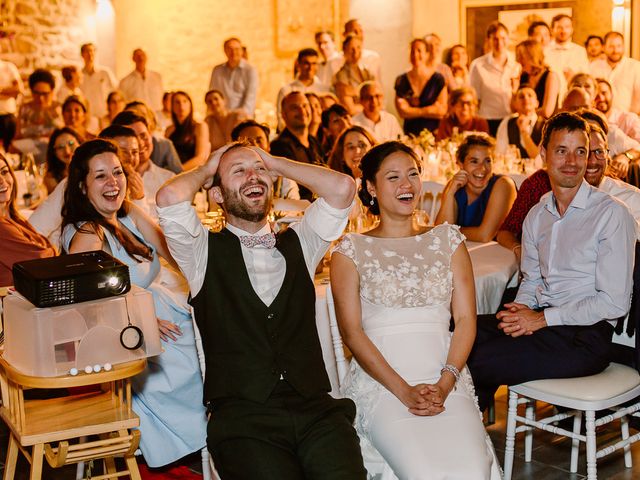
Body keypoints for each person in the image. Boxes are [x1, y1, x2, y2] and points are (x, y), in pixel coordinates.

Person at [155, 140, 367, 480]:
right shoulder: (200, 253)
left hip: (316, 411)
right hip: (244, 421)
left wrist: (274, 162)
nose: (253, 176)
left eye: (259, 171)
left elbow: (343, 187)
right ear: (218, 195)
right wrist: (209, 168)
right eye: (239, 172)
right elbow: (168, 198)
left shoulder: (302, 241)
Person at [330, 141, 500, 479]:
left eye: (413, 174)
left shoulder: (448, 241)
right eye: (393, 177)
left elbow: (466, 320)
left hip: (444, 374)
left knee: (472, 467)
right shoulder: (350, 250)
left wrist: (446, 383)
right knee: (422, 469)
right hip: (383, 383)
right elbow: (352, 332)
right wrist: (404, 390)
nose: (406, 185)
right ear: (370, 188)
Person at [469, 112, 636, 412]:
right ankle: (466, 426)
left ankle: (464, 437)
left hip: (586, 337)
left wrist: (541, 319)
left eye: (580, 152)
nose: (572, 161)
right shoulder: (537, 214)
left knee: (478, 358)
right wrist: (520, 311)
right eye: (562, 151)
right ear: (543, 155)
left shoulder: (611, 214)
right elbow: (531, 279)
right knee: (459, 332)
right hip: (543, 321)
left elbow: (614, 303)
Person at [61, 139, 207, 467]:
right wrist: (143, 320)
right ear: (82, 187)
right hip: (120, 331)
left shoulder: (126, 212)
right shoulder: (87, 233)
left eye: (117, 172)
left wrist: (204, 276)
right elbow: (89, 298)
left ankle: (208, 436)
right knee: (193, 357)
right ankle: (189, 443)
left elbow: (169, 248)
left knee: (211, 336)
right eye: (100, 176)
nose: (113, 182)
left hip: (159, 309)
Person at [435, 134, 517, 242]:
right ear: (460, 164)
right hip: (468, 253)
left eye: (487, 161)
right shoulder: (455, 186)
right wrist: (450, 193)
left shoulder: (503, 185)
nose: (482, 168)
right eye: (474, 161)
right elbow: (440, 234)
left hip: (503, 255)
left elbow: (484, 235)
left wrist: (451, 232)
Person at [0, 153, 56, 286]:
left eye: (4, 172)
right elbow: (42, 262)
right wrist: (52, 248)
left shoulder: (14, 217)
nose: (2, 180)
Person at [469, 21, 521, 136]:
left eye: (503, 38)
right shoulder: (478, 65)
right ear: (488, 40)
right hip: (487, 119)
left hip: (511, 119)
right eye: (495, 39)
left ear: (508, 39)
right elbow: (474, 98)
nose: (499, 43)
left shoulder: (517, 64)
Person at [271, 92, 324, 200]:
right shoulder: (280, 147)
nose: (302, 111)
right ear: (283, 115)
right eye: (294, 107)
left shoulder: (313, 141)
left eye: (305, 105)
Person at [230, 119, 300, 200]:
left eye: (259, 141)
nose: (255, 145)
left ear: (268, 146)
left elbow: (295, 208)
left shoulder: (283, 179)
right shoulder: (231, 179)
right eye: (248, 142)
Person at [395, 38, 447, 136]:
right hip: (410, 134)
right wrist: (429, 110)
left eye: (419, 50)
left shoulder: (438, 79)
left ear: (427, 54)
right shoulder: (401, 80)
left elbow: (442, 111)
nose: (415, 54)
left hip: (433, 135)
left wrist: (412, 110)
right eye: (412, 51)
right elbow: (402, 112)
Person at [275, 48, 329, 131]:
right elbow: (281, 119)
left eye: (314, 63)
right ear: (298, 64)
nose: (310, 68)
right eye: (306, 63)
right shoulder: (286, 91)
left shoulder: (325, 90)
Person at [124, 100, 183, 174]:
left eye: (143, 114)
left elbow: (178, 174)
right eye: (133, 115)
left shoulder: (164, 145)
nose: (139, 118)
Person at [590, 31, 640, 115]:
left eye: (619, 46)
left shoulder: (635, 67)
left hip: (626, 120)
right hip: (599, 119)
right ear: (604, 47)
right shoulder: (594, 66)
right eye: (611, 46)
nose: (615, 50)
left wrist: (631, 119)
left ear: (624, 47)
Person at [208, 37, 259, 116]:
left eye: (237, 49)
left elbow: (250, 98)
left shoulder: (250, 70)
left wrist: (240, 116)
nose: (234, 52)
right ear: (225, 51)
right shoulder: (217, 71)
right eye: (230, 49)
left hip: (243, 118)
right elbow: (212, 95)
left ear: (241, 51)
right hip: (222, 118)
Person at [165, 91, 210, 170]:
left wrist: (179, 171)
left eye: (185, 101)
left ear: (190, 105)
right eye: (177, 102)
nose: (181, 105)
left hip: (193, 172)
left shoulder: (200, 126)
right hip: (172, 173)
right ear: (172, 106)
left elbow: (201, 157)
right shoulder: (169, 130)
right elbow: (165, 156)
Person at [333, 34, 376, 116]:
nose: (355, 52)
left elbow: (378, 100)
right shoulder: (341, 75)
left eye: (358, 47)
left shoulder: (367, 72)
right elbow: (350, 109)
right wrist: (371, 105)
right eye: (351, 49)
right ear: (344, 50)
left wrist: (354, 92)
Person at [516, 39, 560, 119]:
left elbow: (547, 112)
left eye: (521, 56)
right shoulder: (523, 76)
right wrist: (513, 89)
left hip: (546, 125)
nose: (517, 60)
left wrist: (526, 114)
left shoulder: (551, 76)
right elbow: (514, 108)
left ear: (532, 56)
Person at [496, 86, 544, 159]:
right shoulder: (507, 123)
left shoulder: (545, 125)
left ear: (537, 103)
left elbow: (539, 158)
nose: (526, 98)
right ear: (515, 104)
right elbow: (500, 153)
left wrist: (523, 132)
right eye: (521, 97)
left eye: (530, 95)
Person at [16, 69, 63, 142]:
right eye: (37, 93)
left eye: (45, 94)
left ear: (52, 91)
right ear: (31, 92)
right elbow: (17, 136)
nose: (41, 98)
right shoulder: (24, 109)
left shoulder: (60, 109)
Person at [544, 14, 590, 84]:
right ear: (552, 30)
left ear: (572, 29)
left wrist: (574, 76)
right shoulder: (544, 50)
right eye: (559, 27)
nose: (563, 31)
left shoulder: (580, 51)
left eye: (567, 27)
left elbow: (586, 77)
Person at [594, 78, 640, 142]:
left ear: (612, 94)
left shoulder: (629, 119)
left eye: (604, 93)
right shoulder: (589, 124)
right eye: (596, 95)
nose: (601, 99)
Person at [79, 43, 117, 120]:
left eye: (92, 51)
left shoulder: (105, 73)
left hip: (104, 115)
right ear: (82, 54)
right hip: (86, 117)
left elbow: (115, 91)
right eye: (87, 51)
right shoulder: (79, 75)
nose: (90, 54)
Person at [44, 127, 82, 194]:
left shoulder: (94, 167)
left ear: (80, 143)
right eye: (60, 147)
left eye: (71, 143)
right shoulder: (51, 178)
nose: (67, 151)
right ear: (54, 152)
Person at [0, 58, 23, 152]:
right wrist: (7, 92)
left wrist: (1, 90)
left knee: (11, 150)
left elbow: (17, 89)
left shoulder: (8, 67)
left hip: (8, 115)